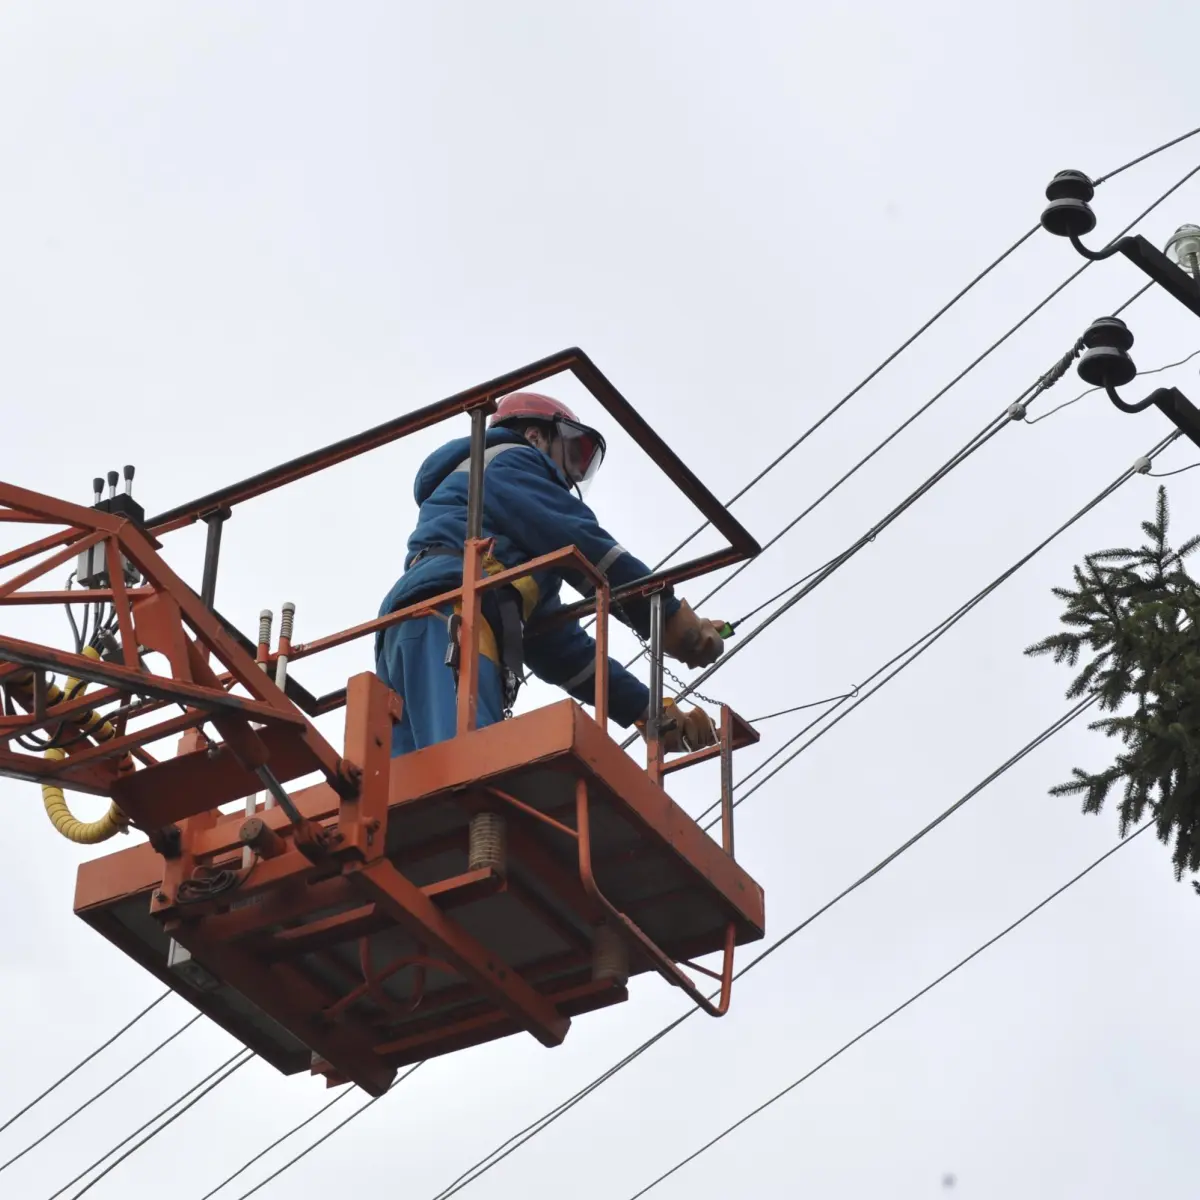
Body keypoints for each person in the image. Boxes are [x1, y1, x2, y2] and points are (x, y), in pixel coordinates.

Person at [375, 391, 728, 758]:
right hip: (451, 617)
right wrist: (668, 617)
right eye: (571, 455)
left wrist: (646, 709)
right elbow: (583, 542)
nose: (570, 475)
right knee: (464, 772)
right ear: (535, 436)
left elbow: (559, 648)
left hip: (431, 620)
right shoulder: (508, 461)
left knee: (410, 792)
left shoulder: (511, 564)